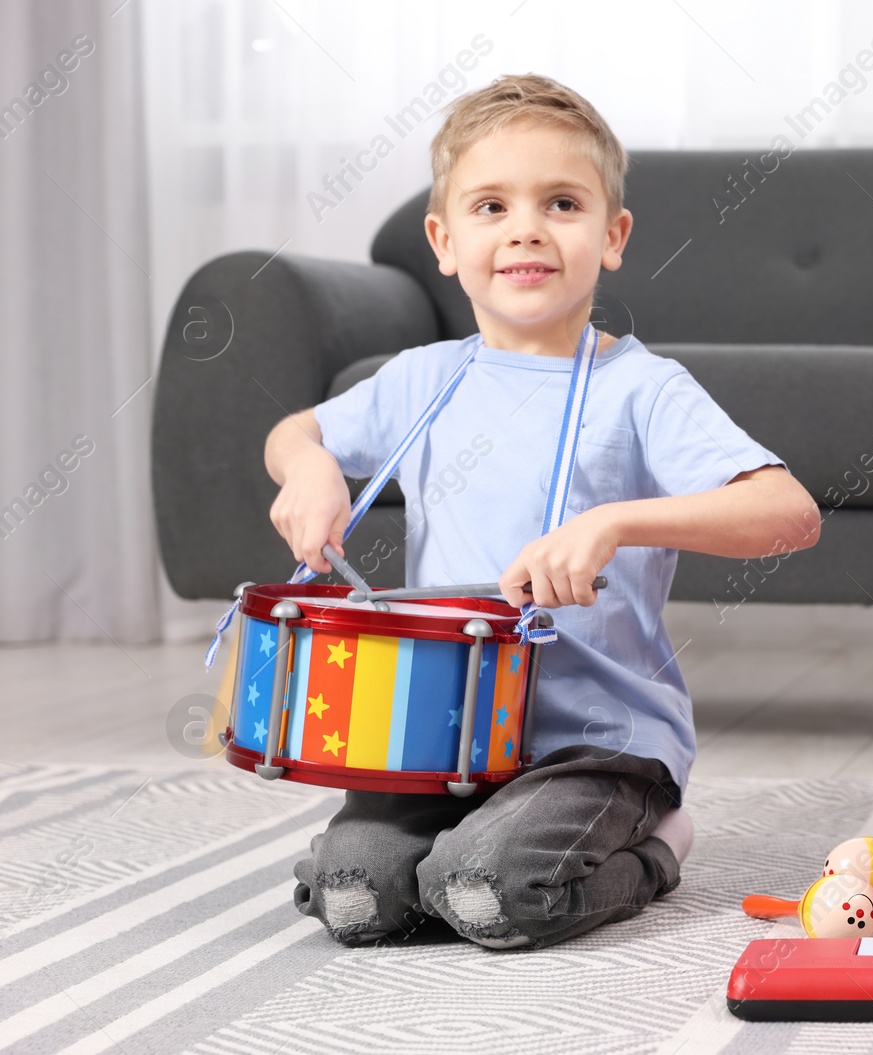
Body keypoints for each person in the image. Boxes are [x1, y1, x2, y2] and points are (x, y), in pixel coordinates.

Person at [263, 74, 819, 950]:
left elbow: (787, 512)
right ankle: (454, 843)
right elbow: (294, 432)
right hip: (440, 740)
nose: (525, 227)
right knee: (354, 900)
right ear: (444, 241)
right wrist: (311, 469)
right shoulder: (422, 378)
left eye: (561, 202)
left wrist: (617, 522)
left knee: (490, 892)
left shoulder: (641, 388)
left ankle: (656, 840)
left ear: (613, 235)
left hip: (596, 743)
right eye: (491, 206)